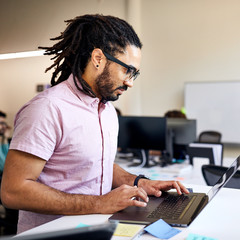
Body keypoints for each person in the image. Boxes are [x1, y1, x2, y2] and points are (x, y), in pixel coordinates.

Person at [1, 14, 189, 234]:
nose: (129, 82)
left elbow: (96, 166)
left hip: (96, 228)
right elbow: (13, 192)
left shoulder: (107, 110)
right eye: (127, 70)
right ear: (98, 58)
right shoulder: (47, 108)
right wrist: (99, 203)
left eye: (134, 74)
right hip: (53, 235)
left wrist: (139, 182)